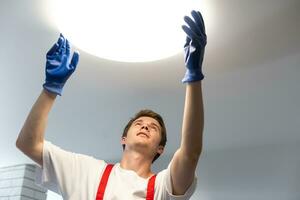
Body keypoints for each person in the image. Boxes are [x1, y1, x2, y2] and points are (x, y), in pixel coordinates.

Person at [16, 10, 207, 200]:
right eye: (139, 124)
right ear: (123, 138)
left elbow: (190, 154)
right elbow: (28, 144)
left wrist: (194, 78)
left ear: (160, 149)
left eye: (154, 127)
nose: (146, 126)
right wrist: (50, 90)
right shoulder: (86, 172)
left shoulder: (162, 187)